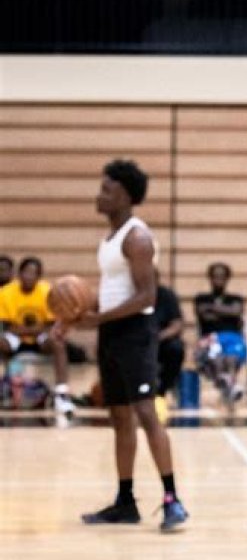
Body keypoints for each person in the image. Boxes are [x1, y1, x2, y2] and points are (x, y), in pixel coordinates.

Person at [75, 159, 188, 531]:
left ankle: (172, 500)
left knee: (145, 413)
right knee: (119, 417)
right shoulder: (110, 238)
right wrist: (70, 319)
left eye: (106, 190)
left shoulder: (137, 238)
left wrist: (100, 318)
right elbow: (111, 291)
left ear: (124, 195)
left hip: (135, 333)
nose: (99, 196)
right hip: (112, 334)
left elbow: (146, 297)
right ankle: (125, 501)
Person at [0, 256, 74, 414]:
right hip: (16, 339)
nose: (29, 276)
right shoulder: (6, 292)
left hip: (39, 339)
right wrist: (35, 329)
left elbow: (50, 325)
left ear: (39, 276)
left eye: (33, 273)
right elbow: (6, 327)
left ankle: (61, 394)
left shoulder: (47, 291)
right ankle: (5, 387)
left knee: (58, 343)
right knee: (2, 342)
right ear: (19, 274)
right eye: (26, 272)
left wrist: (24, 329)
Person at [193, 262, 247, 402]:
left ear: (227, 278)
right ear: (210, 278)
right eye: (215, 276)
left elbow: (236, 311)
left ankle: (226, 385)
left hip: (233, 338)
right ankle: (230, 387)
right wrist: (227, 311)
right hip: (210, 338)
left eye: (222, 276)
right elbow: (204, 315)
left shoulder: (236, 298)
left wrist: (211, 308)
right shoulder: (201, 299)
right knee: (215, 357)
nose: (218, 280)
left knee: (231, 357)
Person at [154, 270, 185, 422]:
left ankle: (162, 390)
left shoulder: (166, 296)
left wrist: (159, 337)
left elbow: (177, 324)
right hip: (138, 342)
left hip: (161, 340)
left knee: (176, 349)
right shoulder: (131, 295)